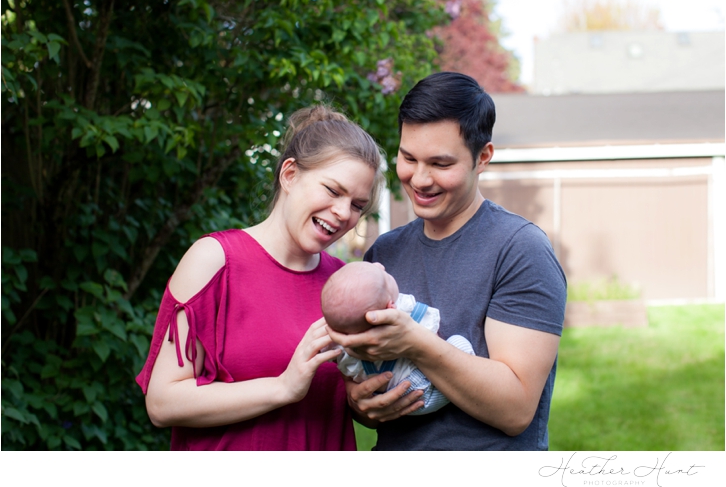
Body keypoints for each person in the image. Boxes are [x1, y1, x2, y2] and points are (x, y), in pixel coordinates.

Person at [327, 72, 567, 450]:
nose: (419, 179)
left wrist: (415, 342)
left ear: (482, 157)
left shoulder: (520, 250)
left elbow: (516, 410)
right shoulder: (382, 257)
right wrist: (359, 402)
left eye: (440, 163)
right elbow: (361, 389)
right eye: (408, 158)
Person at [135, 104, 396, 450]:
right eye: (333, 191)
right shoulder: (216, 260)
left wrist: (365, 404)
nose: (343, 213)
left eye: (358, 205)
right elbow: (162, 402)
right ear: (289, 174)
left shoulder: (343, 284)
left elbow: (342, 400)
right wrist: (282, 387)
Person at [320, 261, 474, 415]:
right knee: (459, 343)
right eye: (386, 279)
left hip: (385, 395)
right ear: (390, 307)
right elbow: (431, 329)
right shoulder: (403, 311)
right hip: (419, 388)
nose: (383, 267)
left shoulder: (342, 342)